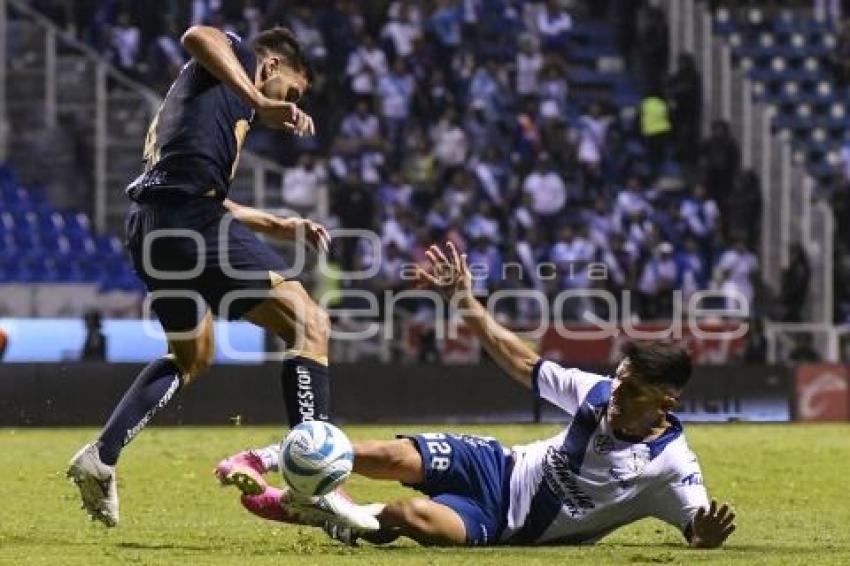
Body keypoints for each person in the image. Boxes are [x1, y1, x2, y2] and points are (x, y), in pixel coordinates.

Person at [218, 242, 736, 549]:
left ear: (665, 401)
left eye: (633, 389)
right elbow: (521, 361)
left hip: (504, 524)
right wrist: (465, 302)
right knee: (391, 455)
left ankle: (324, 513)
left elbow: (695, 527)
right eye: (620, 378)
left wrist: (704, 536)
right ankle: (266, 457)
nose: (617, 392)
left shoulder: (671, 465)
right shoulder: (596, 394)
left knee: (406, 516)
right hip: (496, 465)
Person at [66, 25, 377, 534]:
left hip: (152, 225)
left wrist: (278, 224)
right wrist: (258, 95)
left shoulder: (215, 107)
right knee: (309, 322)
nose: (291, 106)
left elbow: (204, 187)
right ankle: (315, 484)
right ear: (272, 67)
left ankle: (102, 456)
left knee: (194, 357)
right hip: (189, 219)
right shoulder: (230, 56)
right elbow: (196, 35)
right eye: (293, 92)